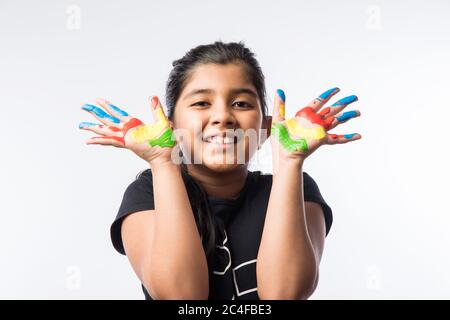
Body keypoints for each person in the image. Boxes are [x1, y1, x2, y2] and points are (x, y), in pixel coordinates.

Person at [79, 41, 361, 300]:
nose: (223, 116)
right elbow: (183, 299)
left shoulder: (298, 188)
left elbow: (284, 295)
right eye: (201, 103)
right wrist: (163, 163)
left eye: (241, 104)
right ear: (170, 125)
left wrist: (289, 162)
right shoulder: (146, 194)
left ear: (266, 127)